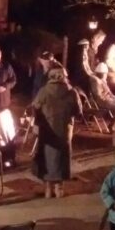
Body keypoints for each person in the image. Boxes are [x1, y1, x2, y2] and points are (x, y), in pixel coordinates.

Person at [30, 66, 83, 198]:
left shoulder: (43, 91)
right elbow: (78, 112)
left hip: (47, 131)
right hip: (64, 130)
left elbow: (35, 108)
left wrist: (37, 123)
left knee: (48, 157)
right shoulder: (72, 92)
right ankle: (59, 188)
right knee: (61, 157)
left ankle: (48, 188)